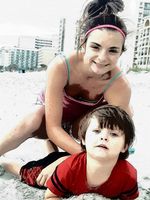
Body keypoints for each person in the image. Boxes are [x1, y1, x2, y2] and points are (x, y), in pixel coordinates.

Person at [0, 0, 133, 186]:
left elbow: (117, 138)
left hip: (82, 123)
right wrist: (85, 159)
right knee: (34, 118)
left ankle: (55, 153)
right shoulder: (61, 66)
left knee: (123, 115)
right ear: (83, 43)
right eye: (95, 47)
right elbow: (53, 128)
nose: (102, 58)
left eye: (113, 50)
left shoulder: (120, 85)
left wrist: (68, 160)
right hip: (49, 119)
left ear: (121, 52)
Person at [0, 105, 139, 200]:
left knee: (58, 160)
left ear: (125, 146)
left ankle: (50, 145)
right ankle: (5, 161)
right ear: (83, 140)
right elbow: (50, 197)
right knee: (28, 174)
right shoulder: (70, 168)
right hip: (58, 168)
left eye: (113, 134)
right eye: (96, 131)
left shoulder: (128, 175)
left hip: (70, 166)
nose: (103, 137)